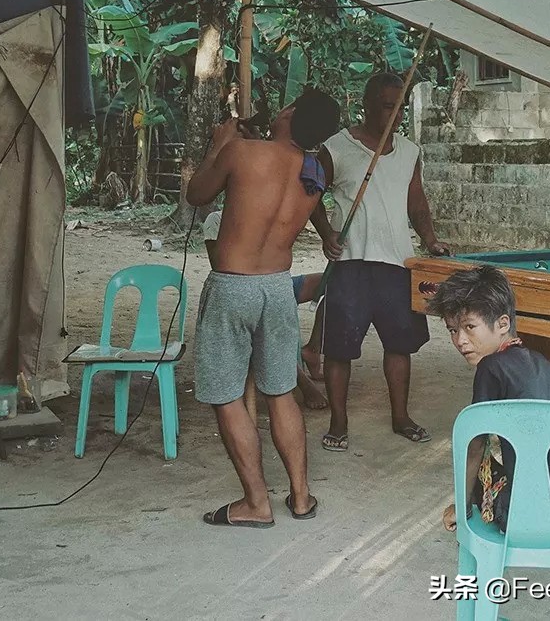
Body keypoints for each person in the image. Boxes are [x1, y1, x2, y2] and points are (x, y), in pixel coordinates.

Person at [187, 88, 340, 528]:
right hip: (277, 287)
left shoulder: (240, 152)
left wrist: (219, 143)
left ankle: (256, 502)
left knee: (228, 396)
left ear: (290, 114)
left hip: (233, 284)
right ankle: (301, 496)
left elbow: (198, 194)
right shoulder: (313, 174)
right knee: (281, 393)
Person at [425, 265, 550, 542]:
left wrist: (461, 506)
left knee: (485, 448)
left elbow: (474, 444)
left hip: (525, 520)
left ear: (503, 324)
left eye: (470, 327)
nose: (460, 340)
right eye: (452, 330)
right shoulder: (545, 366)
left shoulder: (491, 368)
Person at [311, 72, 449, 452]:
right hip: (351, 264)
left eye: (400, 106)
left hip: (397, 264)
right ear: (366, 105)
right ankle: (339, 422)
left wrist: (431, 239)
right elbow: (310, 193)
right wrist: (327, 233)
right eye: (388, 105)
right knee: (339, 350)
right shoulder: (335, 148)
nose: (396, 112)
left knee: (399, 346)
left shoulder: (409, 151)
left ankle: (400, 416)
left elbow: (416, 202)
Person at [202, 209, 328, 409]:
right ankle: (302, 382)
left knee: (331, 284)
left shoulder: (269, 213)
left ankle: (312, 349)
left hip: (276, 285)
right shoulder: (216, 219)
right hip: (242, 287)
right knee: (263, 320)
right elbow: (221, 267)